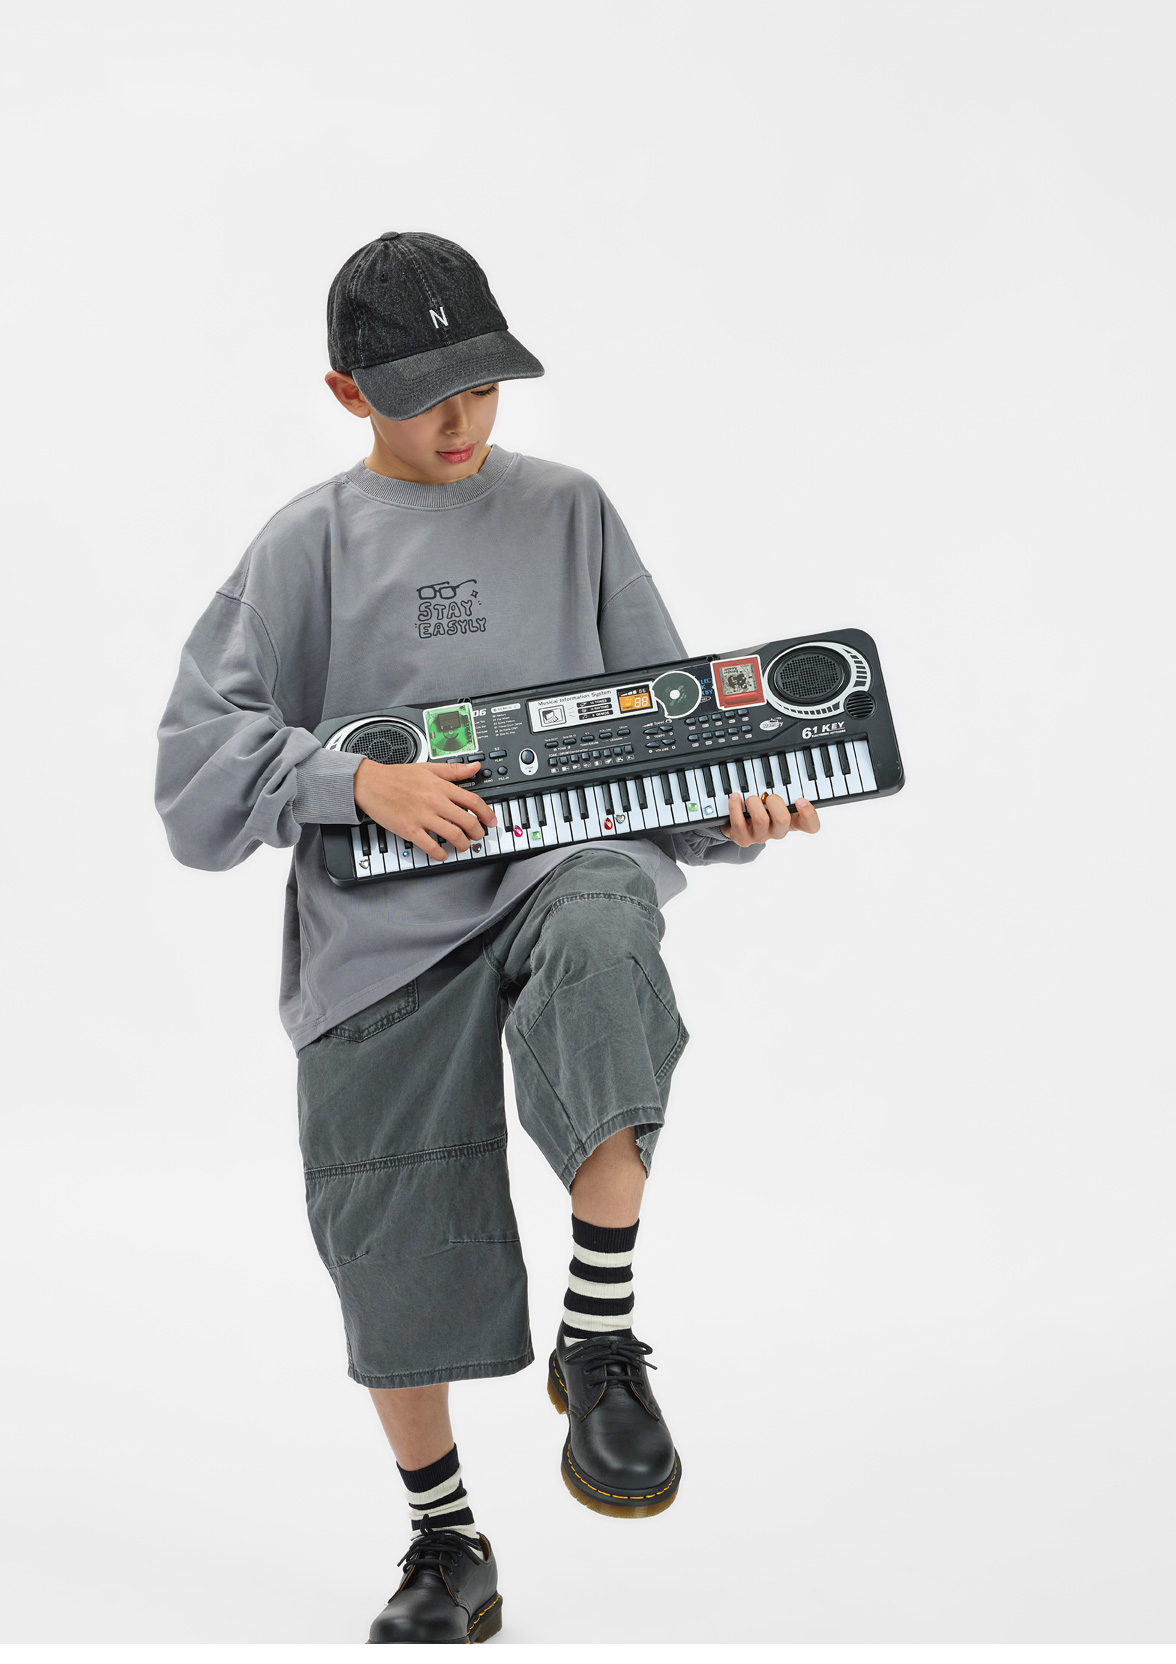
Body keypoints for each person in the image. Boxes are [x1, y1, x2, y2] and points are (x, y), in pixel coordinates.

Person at [154, 231, 821, 1644]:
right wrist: (353, 780)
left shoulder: (572, 512)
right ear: (348, 395)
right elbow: (195, 776)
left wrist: (732, 810)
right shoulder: (303, 546)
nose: (462, 420)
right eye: (425, 397)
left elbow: (664, 717)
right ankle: (447, 1540)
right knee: (394, 1232)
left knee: (604, 944)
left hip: (560, 865)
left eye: (485, 387)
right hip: (378, 931)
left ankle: (601, 1332)